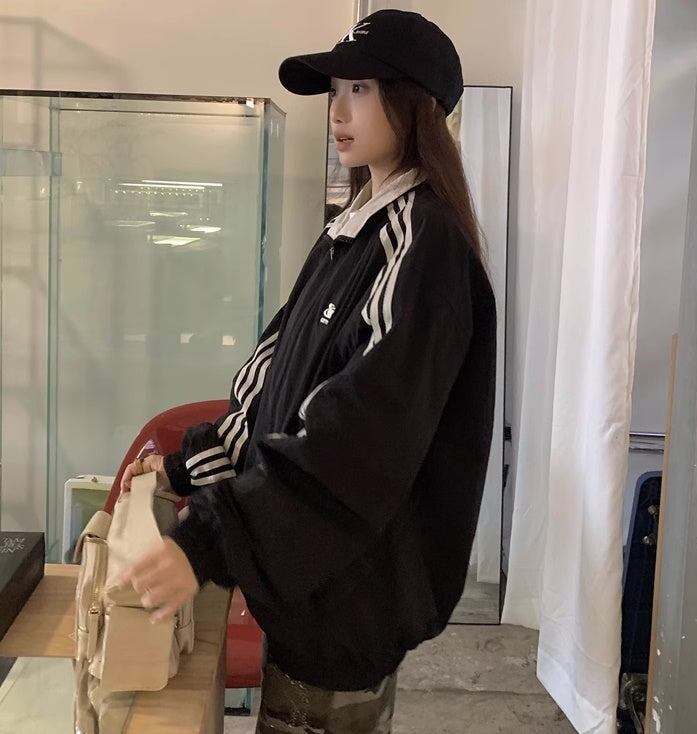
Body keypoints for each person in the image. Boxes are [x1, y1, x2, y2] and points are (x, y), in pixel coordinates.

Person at [118, 9, 497, 733]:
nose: (338, 111)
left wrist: (209, 541)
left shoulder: (424, 248)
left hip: (349, 606)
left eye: (360, 89)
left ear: (414, 103)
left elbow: (355, 442)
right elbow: (272, 388)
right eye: (334, 91)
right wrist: (185, 468)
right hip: (308, 596)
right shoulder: (348, 235)